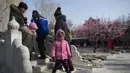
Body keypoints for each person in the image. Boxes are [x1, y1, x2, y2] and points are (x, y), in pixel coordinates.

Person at [54, 7, 74, 71]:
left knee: (60, 55)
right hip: (67, 39)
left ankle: (60, 66)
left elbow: (58, 31)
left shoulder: (58, 21)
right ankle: (71, 67)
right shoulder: (64, 22)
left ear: (56, 16)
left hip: (62, 40)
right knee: (67, 55)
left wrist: (57, 38)